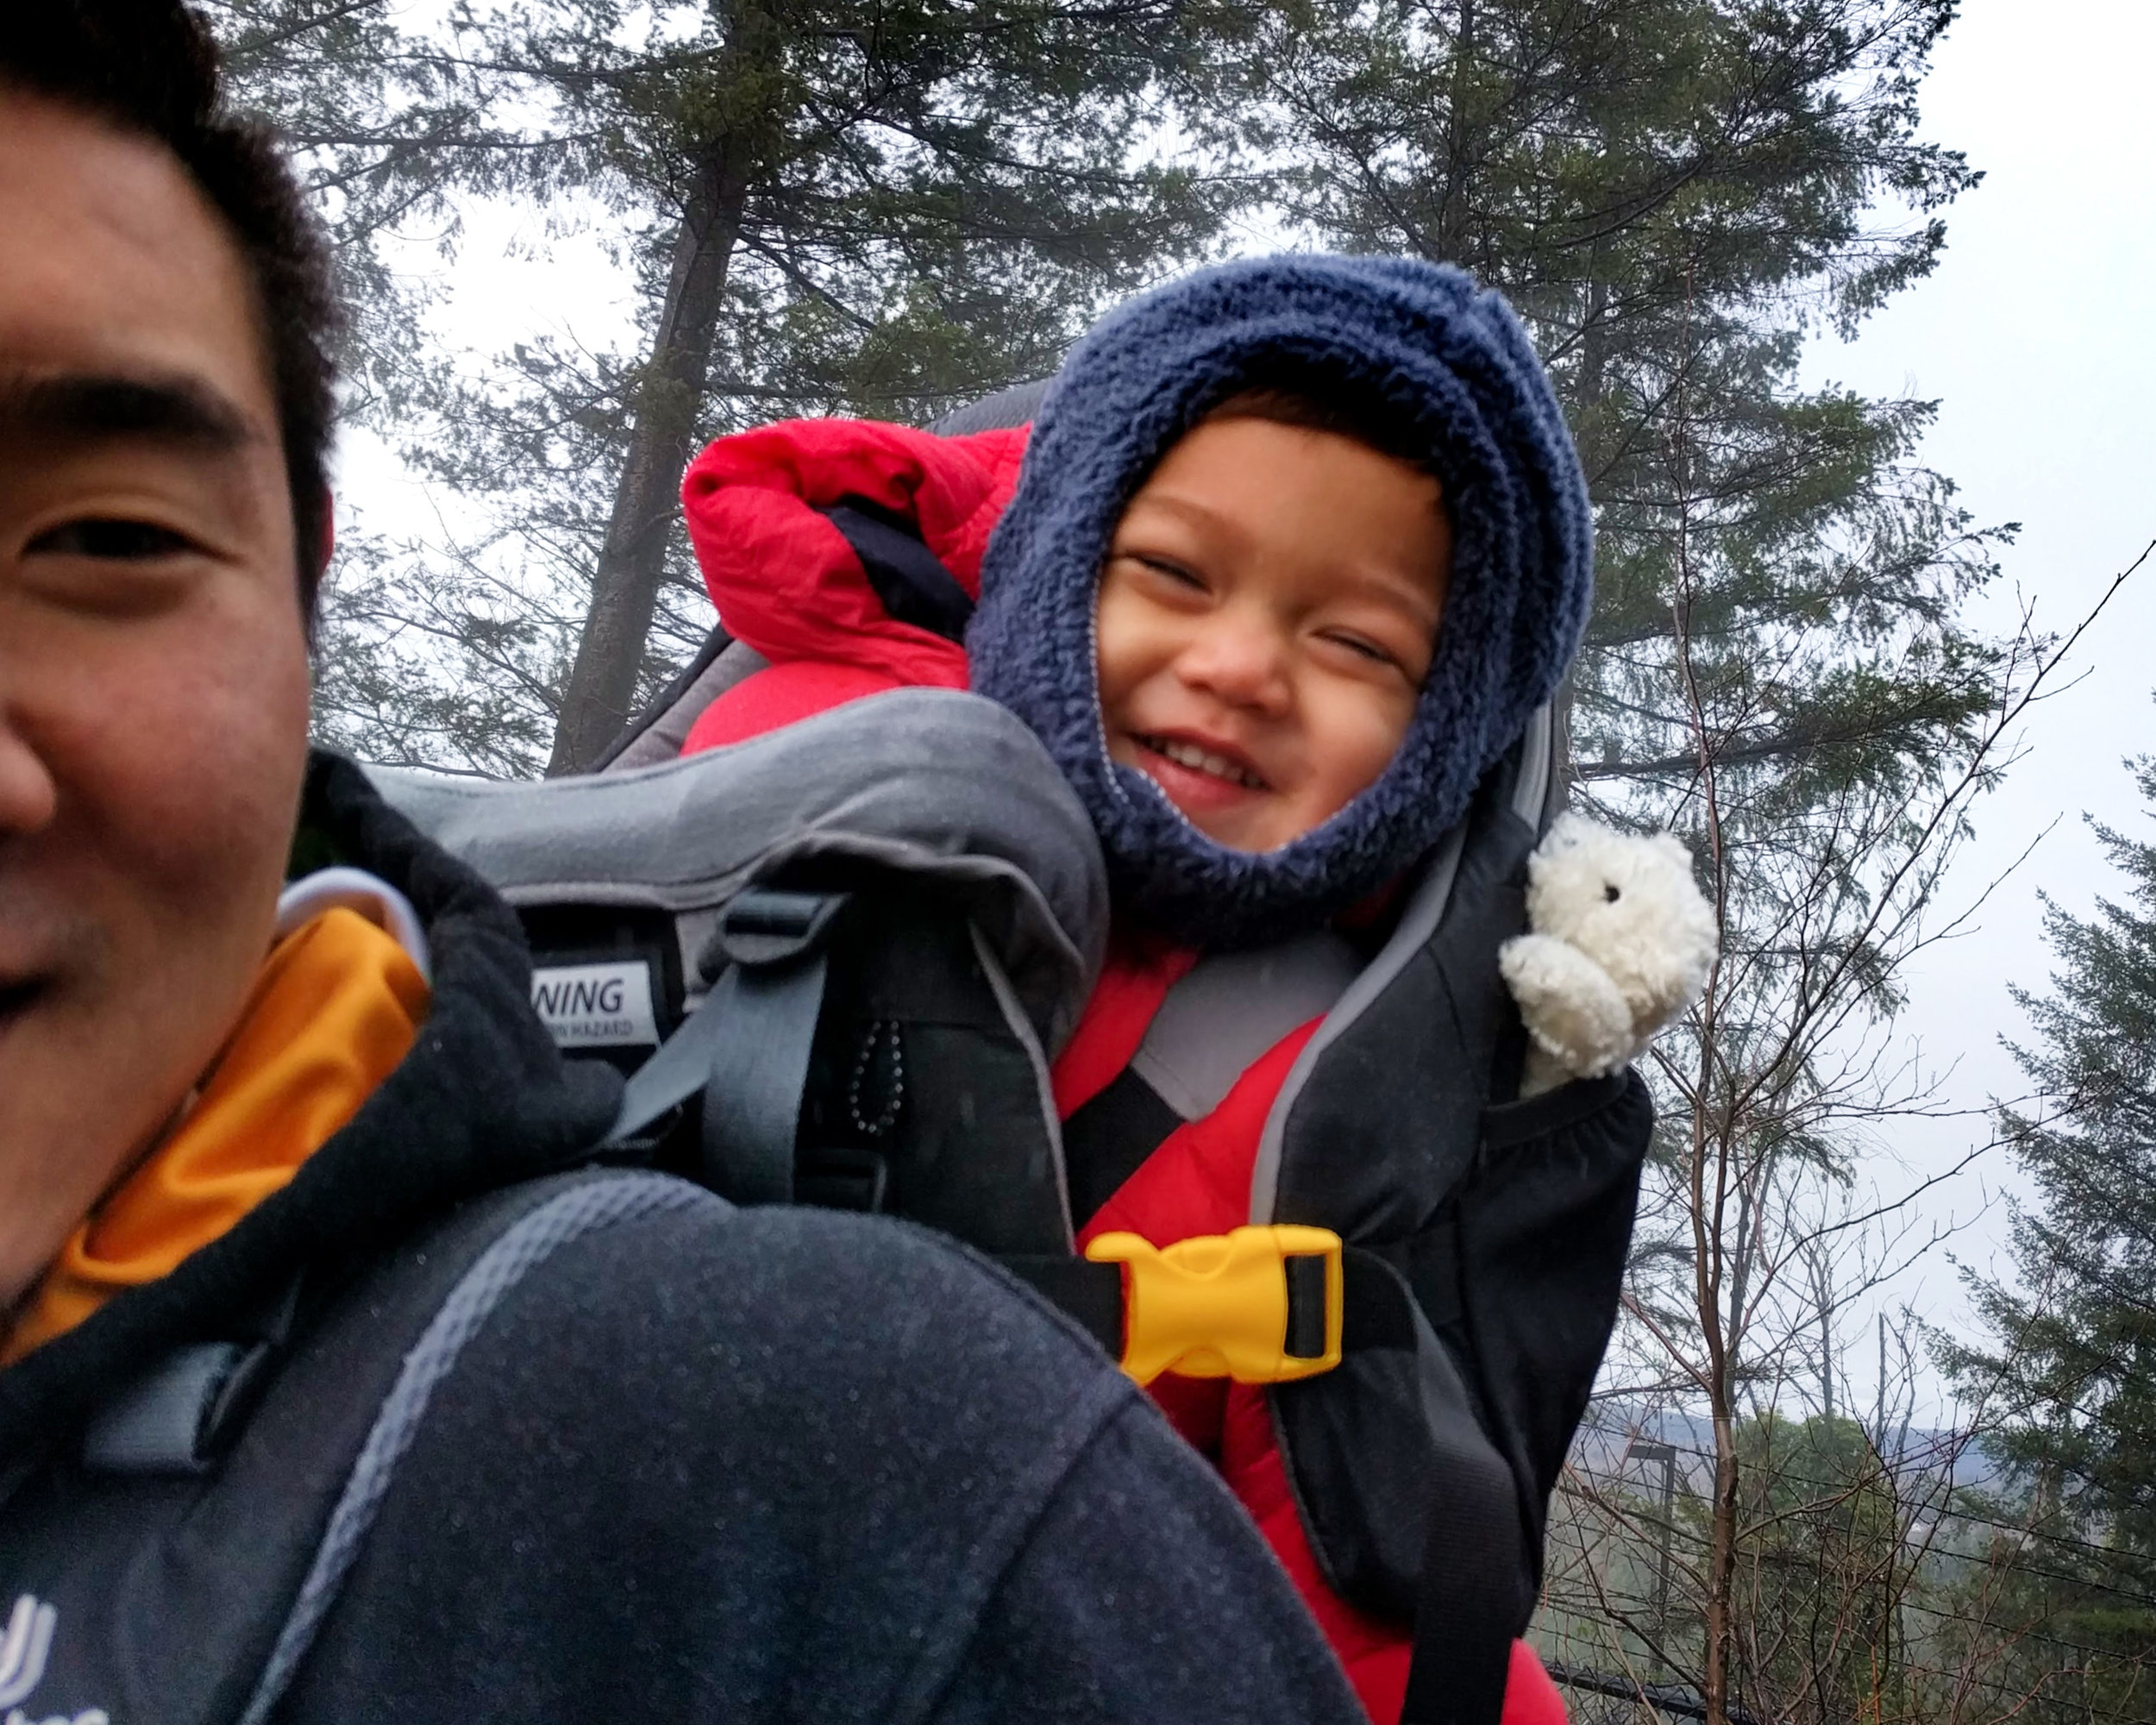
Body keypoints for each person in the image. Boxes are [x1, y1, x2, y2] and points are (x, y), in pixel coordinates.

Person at [0, 8, 1374, 1722]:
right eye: (1172, 576)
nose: (1237, 669)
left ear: (302, 582)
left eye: (109, 537)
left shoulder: (840, 1463)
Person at [672, 254, 1601, 1723]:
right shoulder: (766, 773)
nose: (1237, 667)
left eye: (1356, 643)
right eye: (1171, 572)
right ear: (1052, 562)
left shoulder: (1323, 1093)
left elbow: (1368, 1626)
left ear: (1447, 739)